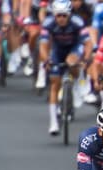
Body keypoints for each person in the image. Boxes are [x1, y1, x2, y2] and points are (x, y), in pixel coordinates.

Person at [39, 0, 91, 135]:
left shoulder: (77, 22)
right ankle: (53, 123)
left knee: (71, 61)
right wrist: (46, 60)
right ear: (54, 15)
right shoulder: (48, 23)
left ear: (69, 15)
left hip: (74, 47)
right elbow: (43, 45)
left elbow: (88, 43)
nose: (61, 18)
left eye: (64, 15)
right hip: (58, 50)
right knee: (54, 83)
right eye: (58, 16)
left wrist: (85, 59)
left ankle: (77, 82)